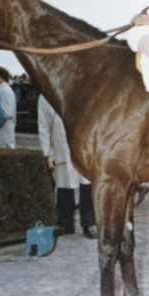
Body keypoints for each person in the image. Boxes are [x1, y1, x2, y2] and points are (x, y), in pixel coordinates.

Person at [37, 94, 97, 237]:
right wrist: (48, 152)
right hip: (60, 149)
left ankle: (89, 224)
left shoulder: (79, 88)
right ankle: (65, 224)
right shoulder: (44, 97)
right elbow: (43, 125)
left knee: (86, 187)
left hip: (82, 149)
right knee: (64, 186)